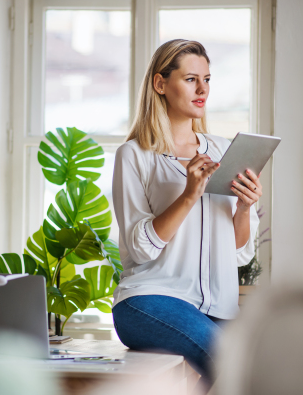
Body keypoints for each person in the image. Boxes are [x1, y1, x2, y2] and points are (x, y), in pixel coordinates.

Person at [111, 39, 261, 391]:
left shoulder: (223, 149)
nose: (202, 89)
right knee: (231, 362)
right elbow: (140, 247)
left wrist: (244, 207)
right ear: (160, 84)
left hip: (217, 308)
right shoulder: (134, 155)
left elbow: (239, 250)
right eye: (191, 79)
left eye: (207, 80)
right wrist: (189, 194)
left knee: (258, 363)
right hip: (150, 300)